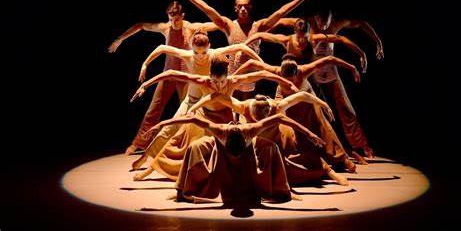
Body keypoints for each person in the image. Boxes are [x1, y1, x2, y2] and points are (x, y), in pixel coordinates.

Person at [130, 57, 298, 180]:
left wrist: (285, 81)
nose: (218, 86)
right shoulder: (202, 81)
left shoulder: (233, 81)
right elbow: (171, 73)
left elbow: (261, 73)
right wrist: (145, 85)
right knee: (176, 141)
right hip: (203, 115)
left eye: (222, 82)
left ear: (227, 76)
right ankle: (150, 170)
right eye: (215, 81)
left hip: (224, 118)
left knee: (226, 148)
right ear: (210, 76)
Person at [166, 0, 323, 100]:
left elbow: (280, 12)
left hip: (250, 80)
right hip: (231, 79)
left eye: (246, 6)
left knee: (248, 116)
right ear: (235, 8)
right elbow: (207, 9)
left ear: (250, 8)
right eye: (240, 6)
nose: (243, 9)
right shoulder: (229, 25)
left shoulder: (259, 26)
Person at [108, 1, 218, 155]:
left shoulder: (191, 28)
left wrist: (233, 24)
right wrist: (119, 39)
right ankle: (139, 142)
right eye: (171, 19)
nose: (174, 23)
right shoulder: (165, 28)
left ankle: (186, 144)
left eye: (177, 19)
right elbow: (141, 25)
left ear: (182, 16)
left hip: (186, 77)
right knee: (154, 109)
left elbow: (217, 24)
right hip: (168, 74)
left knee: (188, 112)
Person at [142, 114, 326, 204]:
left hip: (248, 149)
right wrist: (161, 123)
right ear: (226, 138)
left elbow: (279, 117)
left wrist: (309, 133)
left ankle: (283, 190)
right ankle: (182, 191)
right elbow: (191, 117)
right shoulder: (220, 131)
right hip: (218, 147)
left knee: (273, 147)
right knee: (194, 146)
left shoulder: (250, 131)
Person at [274, 11, 384, 158]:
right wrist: (256, 30)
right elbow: (279, 21)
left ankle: (361, 146)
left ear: (331, 17)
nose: (323, 25)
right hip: (311, 75)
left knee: (346, 110)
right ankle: (329, 149)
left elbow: (357, 26)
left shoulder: (336, 25)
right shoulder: (304, 24)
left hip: (330, 71)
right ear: (315, 17)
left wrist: (376, 43)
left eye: (326, 21)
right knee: (321, 113)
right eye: (320, 21)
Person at [187, 92, 350, 184]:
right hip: (257, 142)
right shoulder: (243, 106)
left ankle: (327, 171)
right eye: (256, 119)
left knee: (289, 166)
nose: (259, 122)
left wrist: (323, 105)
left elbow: (302, 95)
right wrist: (193, 107)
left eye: (262, 119)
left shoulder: (277, 106)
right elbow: (215, 96)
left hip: (278, 139)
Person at [234, 54, 362, 171]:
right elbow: (251, 62)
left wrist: (352, 67)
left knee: (321, 122)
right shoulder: (275, 71)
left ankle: (341, 158)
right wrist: (233, 77)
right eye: (286, 80)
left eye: (292, 80)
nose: (289, 83)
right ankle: (292, 158)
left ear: (297, 73)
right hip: (284, 97)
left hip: (307, 97)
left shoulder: (305, 70)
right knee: (282, 125)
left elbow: (330, 59)